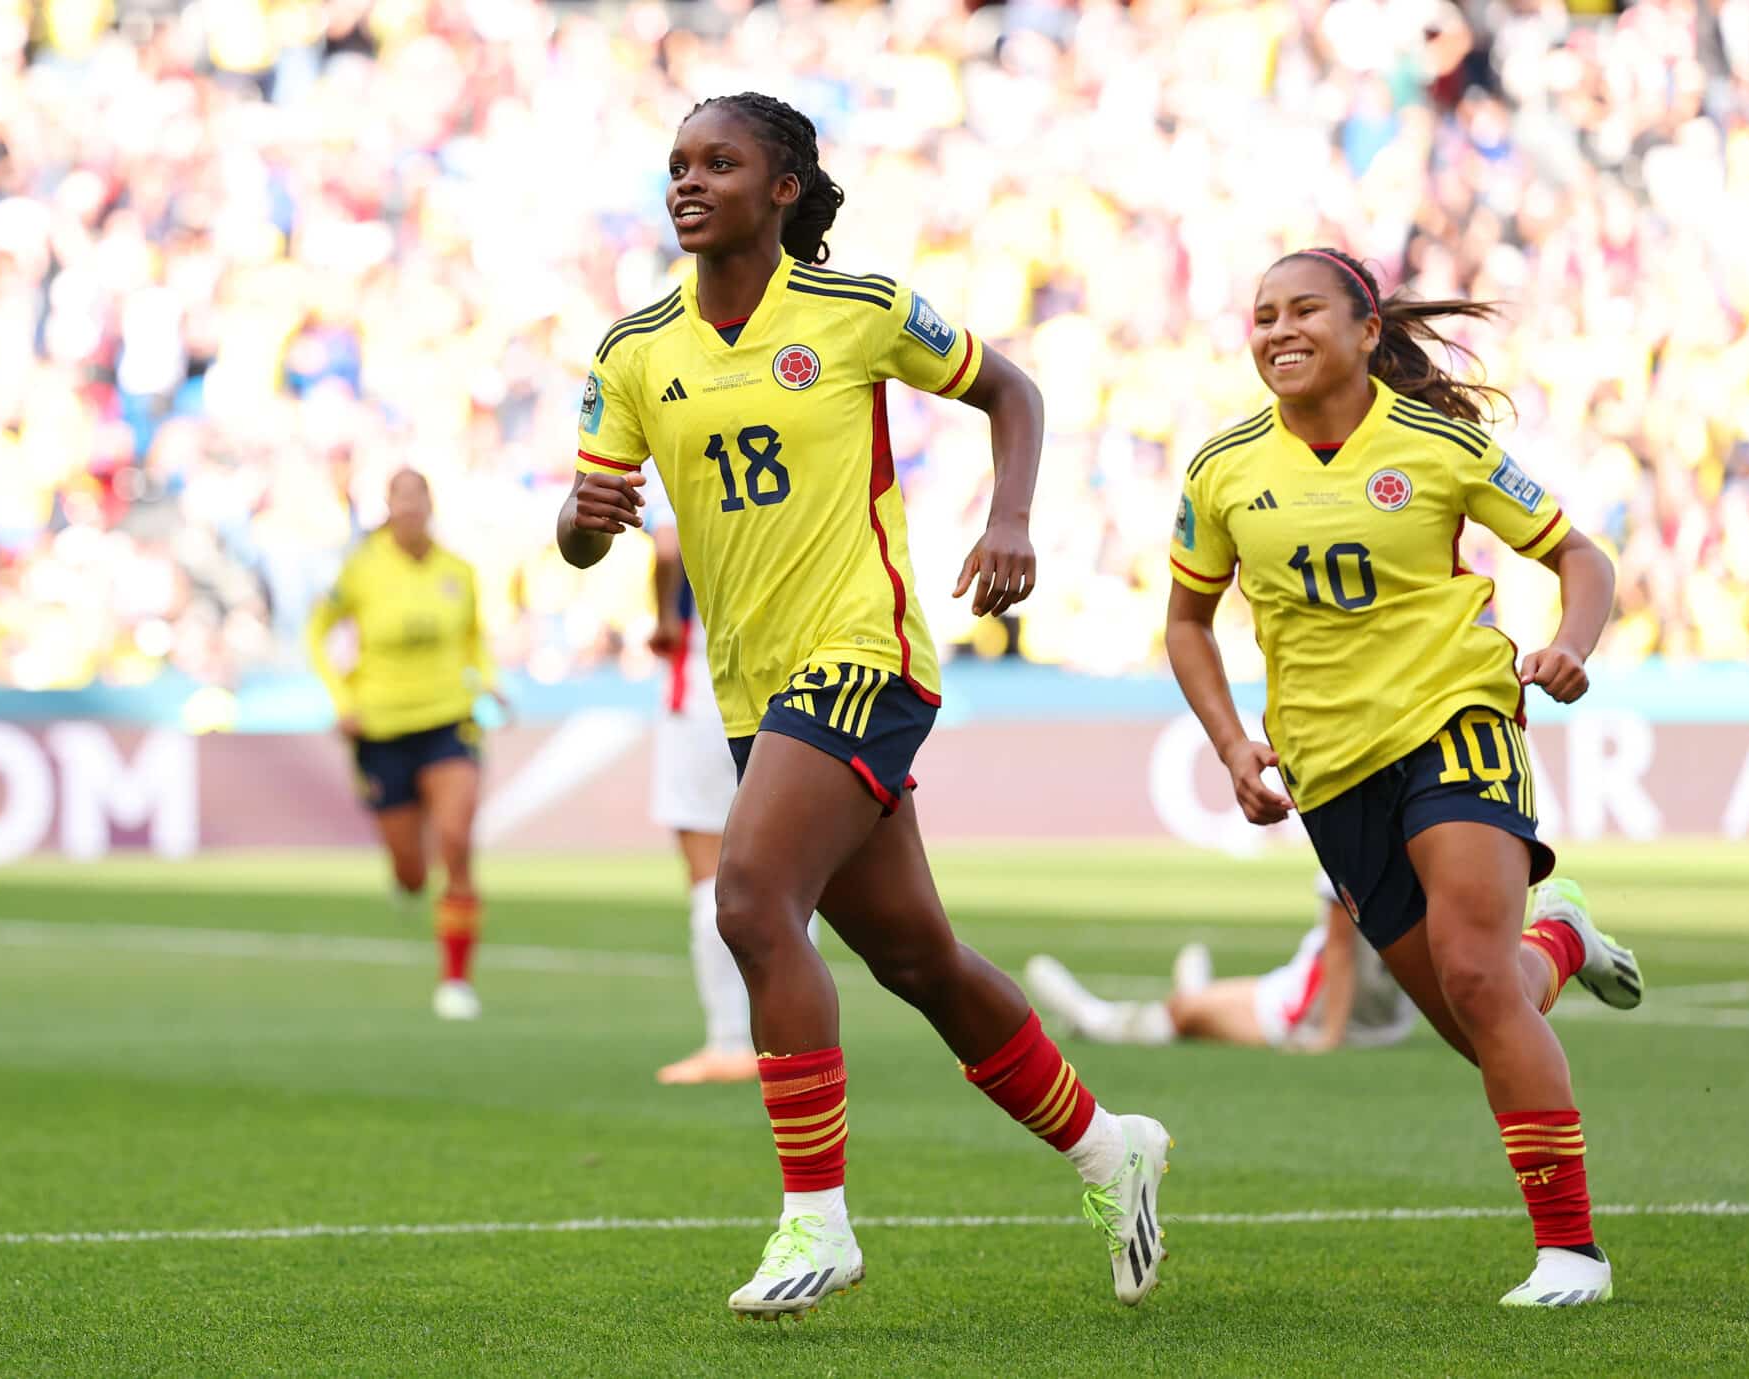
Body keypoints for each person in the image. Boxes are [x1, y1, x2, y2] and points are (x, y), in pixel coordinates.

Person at [557, 92, 1172, 1319]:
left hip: (861, 655)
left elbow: (1014, 393)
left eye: (717, 162)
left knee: (748, 898)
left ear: (781, 187)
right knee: (915, 956)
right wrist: (581, 525)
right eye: (677, 164)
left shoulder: (858, 310)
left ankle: (815, 1219)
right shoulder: (633, 350)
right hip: (751, 685)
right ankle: (1113, 1148)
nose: (687, 181)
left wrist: (1008, 519)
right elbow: (584, 533)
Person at [1165, 246, 1643, 1307]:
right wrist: (1231, 743)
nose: (1277, 330)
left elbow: (1580, 556)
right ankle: (1558, 934)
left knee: (1477, 977)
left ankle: (1570, 1252)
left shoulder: (1437, 445)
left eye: (1301, 311)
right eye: (1260, 315)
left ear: (1365, 328)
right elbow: (1185, 622)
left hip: (1453, 720)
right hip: (1330, 771)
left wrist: (1570, 642)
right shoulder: (1221, 468)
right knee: (1481, 1008)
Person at [308, 469, 503, 1022]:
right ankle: (407, 868)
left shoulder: (457, 571)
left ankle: (457, 982)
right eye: (400, 500)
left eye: (419, 499)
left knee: (457, 839)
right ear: (388, 508)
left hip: (448, 722)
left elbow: (473, 636)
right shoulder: (362, 570)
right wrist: (341, 699)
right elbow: (317, 631)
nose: (410, 509)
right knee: (413, 872)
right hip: (382, 729)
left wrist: (487, 680)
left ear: (430, 506)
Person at [1026, 873, 1418, 1051]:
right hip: (1382, 1014)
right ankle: (1197, 992)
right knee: (1200, 1007)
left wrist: (1329, 1038)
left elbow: (1339, 948)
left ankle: (1095, 1019)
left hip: (1312, 1011)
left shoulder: (1355, 827)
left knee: (1186, 1013)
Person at [642, 471, 756, 1085]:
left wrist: (664, 615)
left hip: (709, 676)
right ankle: (792, 1038)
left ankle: (730, 1040)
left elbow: (665, 545)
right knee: (789, 866)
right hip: (790, 668)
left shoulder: (678, 436)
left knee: (707, 867)